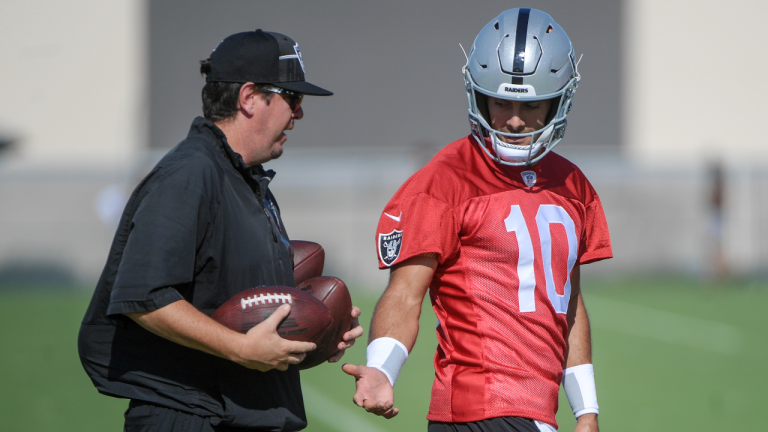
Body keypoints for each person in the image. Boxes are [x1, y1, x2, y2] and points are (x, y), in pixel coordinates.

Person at [78, 29, 363, 432]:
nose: (298, 114)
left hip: (233, 411)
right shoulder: (191, 173)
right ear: (249, 98)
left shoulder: (242, 176)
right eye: (292, 98)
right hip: (187, 416)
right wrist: (241, 348)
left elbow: (232, 297)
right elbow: (143, 296)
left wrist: (315, 330)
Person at [343, 8, 612, 432]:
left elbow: (569, 304)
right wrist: (382, 368)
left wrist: (586, 411)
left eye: (530, 103)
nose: (515, 119)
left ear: (559, 99)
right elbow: (406, 292)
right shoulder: (445, 179)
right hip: (476, 410)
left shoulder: (573, 186)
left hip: (539, 414)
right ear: (478, 95)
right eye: (501, 102)